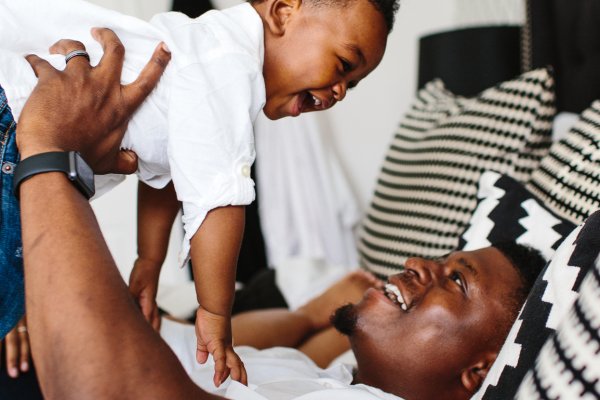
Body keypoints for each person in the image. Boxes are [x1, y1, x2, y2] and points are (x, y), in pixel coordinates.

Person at [0, 0, 398, 385]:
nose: (341, 91)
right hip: (17, 124)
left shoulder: (208, 55)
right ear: (282, 12)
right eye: (344, 65)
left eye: (353, 83)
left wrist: (149, 259)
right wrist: (214, 315)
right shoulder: (232, 67)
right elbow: (219, 201)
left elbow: (175, 172)